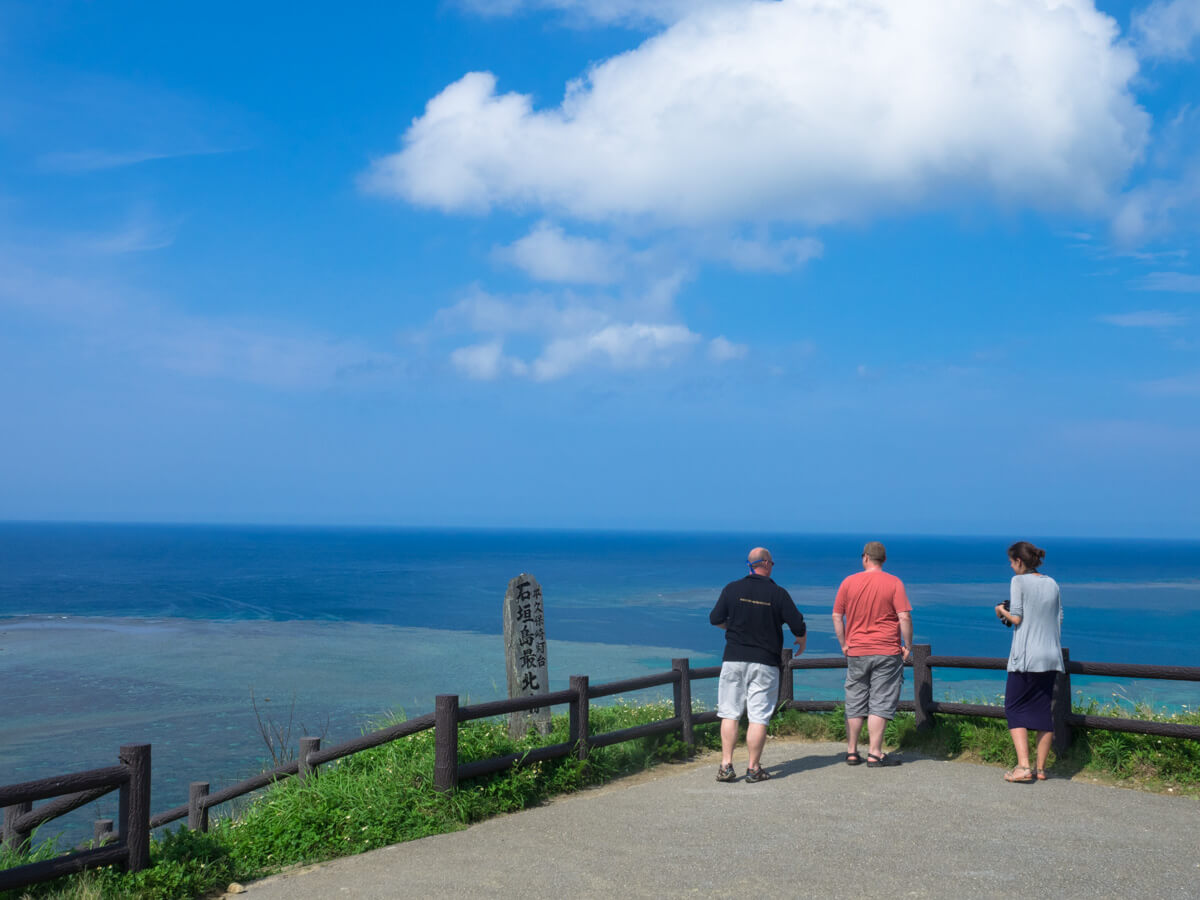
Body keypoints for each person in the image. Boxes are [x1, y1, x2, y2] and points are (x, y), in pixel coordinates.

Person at [709, 547, 807, 783]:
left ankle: (726, 765)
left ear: (750, 565)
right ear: (765, 563)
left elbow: (715, 619)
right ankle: (753, 768)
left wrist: (732, 629)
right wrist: (800, 642)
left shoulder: (732, 589)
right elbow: (797, 623)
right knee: (758, 717)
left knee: (729, 713)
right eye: (772, 563)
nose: (773, 566)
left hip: (733, 658)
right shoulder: (778, 593)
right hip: (764, 661)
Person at [832, 541, 913, 767]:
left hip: (857, 649)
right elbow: (904, 617)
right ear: (884, 560)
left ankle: (851, 751)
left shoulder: (848, 582)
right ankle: (874, 753)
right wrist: (908, 644)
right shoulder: (894, 582)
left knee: (855, 700)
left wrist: (844, 644)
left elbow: (837, 616)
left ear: (865, 558)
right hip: (887, 649)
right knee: (881, 700)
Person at [995, 541, 1063, 783]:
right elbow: (1059, 618)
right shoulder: (1052, 583)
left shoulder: (1018, 581)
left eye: (1012, 562)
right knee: (1043, 710)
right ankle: (1041, 768)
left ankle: (1023, 767)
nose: (1012, 567)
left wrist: (1000, 611)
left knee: (1013, 707)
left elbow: (1016, 618)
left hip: (1026, 658)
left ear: (1019, 562)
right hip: (1051, 655)